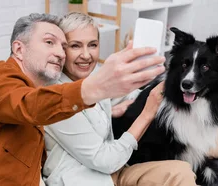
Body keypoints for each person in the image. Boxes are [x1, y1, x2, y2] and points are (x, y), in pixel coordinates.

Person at [0, 13, 166, 186]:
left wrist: (108, 108)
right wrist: (94, 88)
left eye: (62, 45)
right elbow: (27, 105)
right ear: (19, 49)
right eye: (50, 42)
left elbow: (42, 109)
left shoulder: (43, 90)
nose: (60, 52)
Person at [41, 12, 197, 186]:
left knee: (180, 172)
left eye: (92, 45)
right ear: (62, 50)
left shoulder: (93, 74)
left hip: (118, 171)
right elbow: (105, 161)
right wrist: (147, 114)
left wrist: (118, 107)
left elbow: (122, 93)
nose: (86, 55)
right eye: (75, 46)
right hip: (83, 179)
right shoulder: (55, 97)